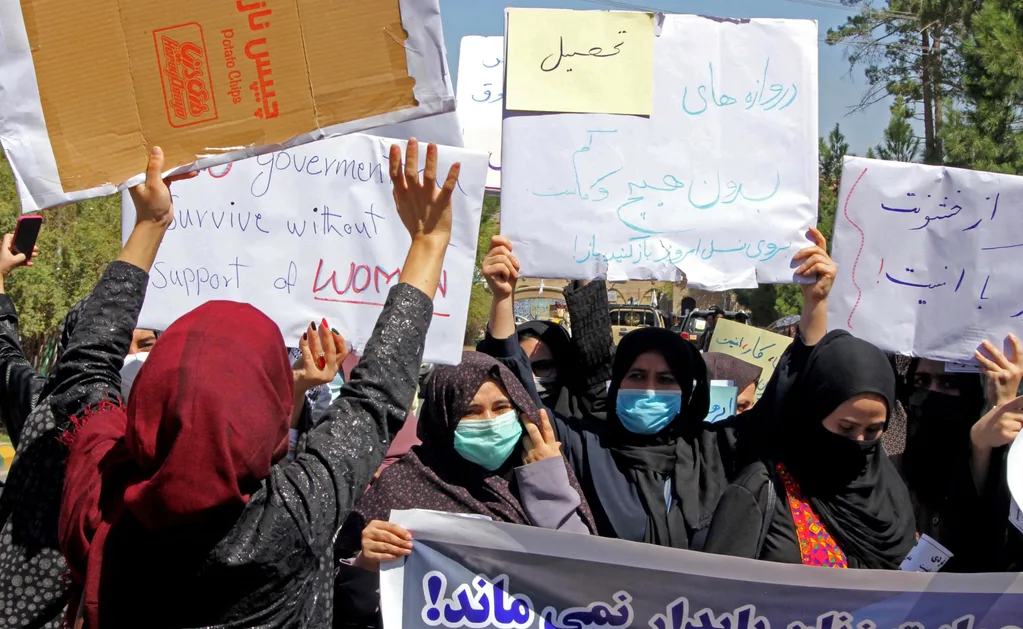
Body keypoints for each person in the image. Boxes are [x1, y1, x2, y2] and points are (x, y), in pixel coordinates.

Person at [57, 139, 460, 628]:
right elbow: (377, 398)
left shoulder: (100, 490)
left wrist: (149, 225)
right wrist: (428, 241)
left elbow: (83, 369)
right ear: (264, 418)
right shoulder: (291, 515)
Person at [477, 228, 837, 549]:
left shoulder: (717, 448)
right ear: (617, 384)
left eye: (665, 380)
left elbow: (788, 399)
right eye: (636, 376)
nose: (649, 390)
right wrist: (502, 298)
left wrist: (815, 304)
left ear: (687, 391)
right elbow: (512, 389)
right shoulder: (585, 446)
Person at [703, 331, 917, 569]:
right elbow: (718, 592)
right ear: (813, 414)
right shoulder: (762, 489)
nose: (859, 440)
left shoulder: (892, 495)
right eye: (846, 427)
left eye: (873, 430)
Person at [479, 236, 614, 423]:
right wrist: (502, 294)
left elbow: (595, 353)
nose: (530, 376)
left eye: (542, 366)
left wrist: (585, 254)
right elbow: (501, 355)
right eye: (523, 366)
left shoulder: (585, 421)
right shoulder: (502, 424)